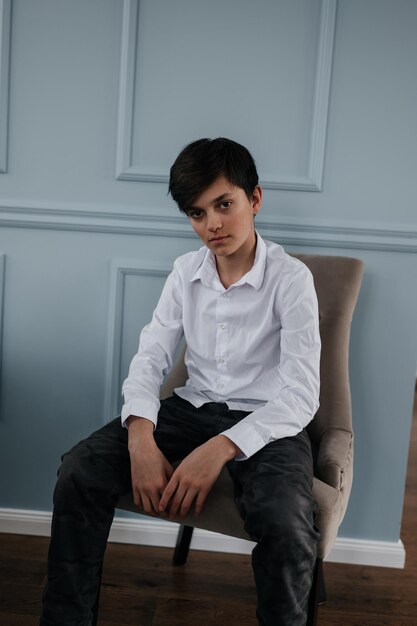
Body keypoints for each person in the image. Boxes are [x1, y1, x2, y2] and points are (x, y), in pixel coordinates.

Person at [40, 137, 321, 626]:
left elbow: (301, 394)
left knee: (285, 520)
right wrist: (140, 436)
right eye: (196, 213)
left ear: (255, 199)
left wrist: (219, 449)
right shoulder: (184, 272)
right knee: (79, 471)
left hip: (270, 422)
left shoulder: (291, 279)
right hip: (191, 408)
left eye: (224, 204)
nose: (211, 224)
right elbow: (150, 356)